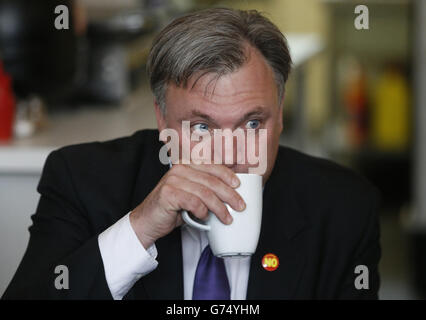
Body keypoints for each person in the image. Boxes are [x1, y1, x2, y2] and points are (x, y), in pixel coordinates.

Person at [2, 8, 381, 300]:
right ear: (162, 120)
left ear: (280, 114)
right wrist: (140, 228)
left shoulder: (343, 207)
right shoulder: (81, 179)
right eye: (202, 127)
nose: (230, 156)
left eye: (252, 124)